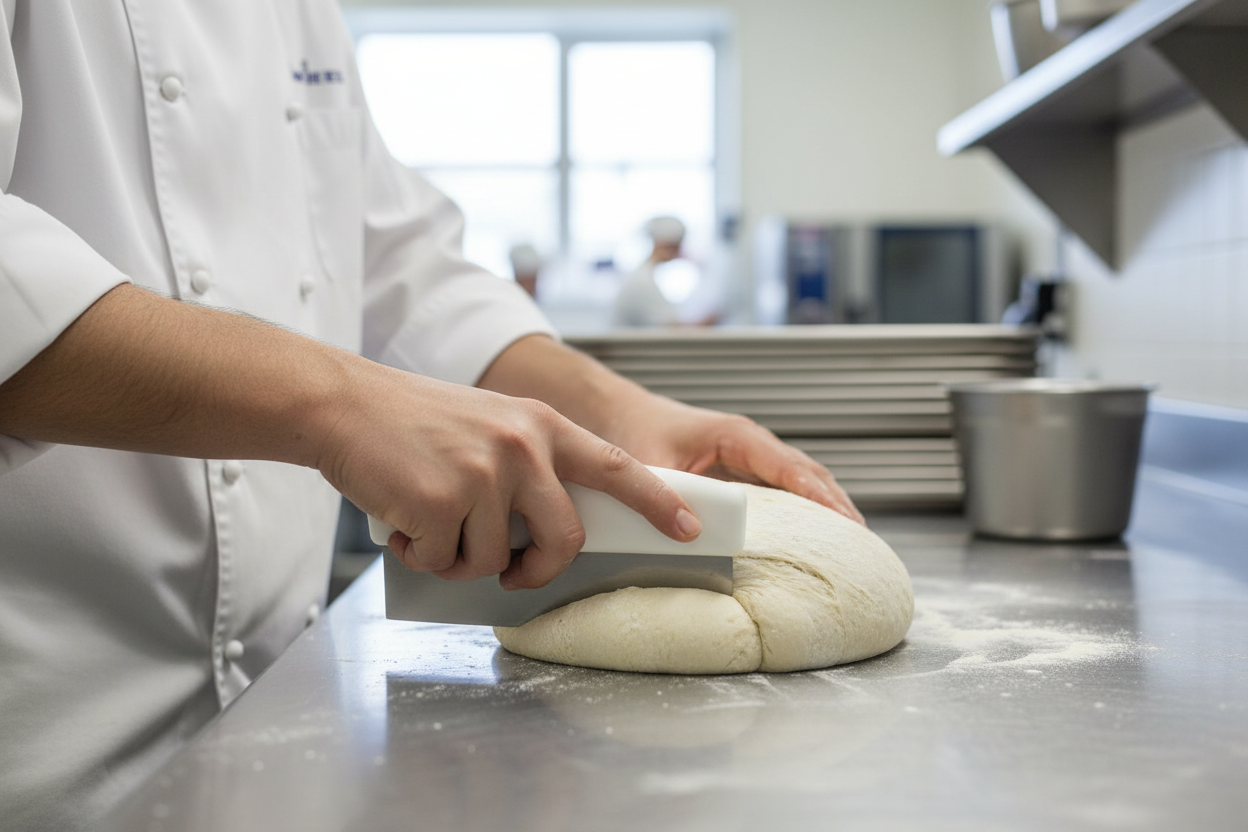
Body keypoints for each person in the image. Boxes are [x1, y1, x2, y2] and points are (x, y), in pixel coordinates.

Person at [0, 4, 861, 829]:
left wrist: (620, 414)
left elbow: (403, 275)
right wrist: (339, 405)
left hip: (280, 725)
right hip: (46, 749)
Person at [612, 215, 693, 328]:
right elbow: (671, 326)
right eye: (675, 246)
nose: (678, 251)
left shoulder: (643, 274)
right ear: (664, 245)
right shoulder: (642, 281)